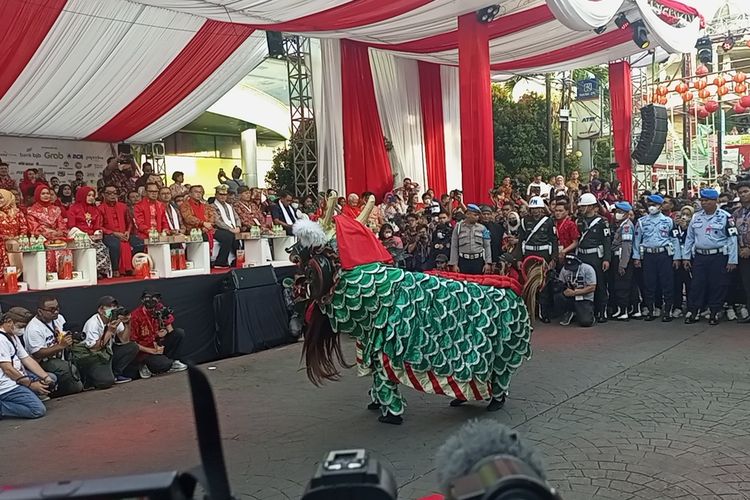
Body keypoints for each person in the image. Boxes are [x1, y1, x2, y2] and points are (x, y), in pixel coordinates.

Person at [683, 188, 739, 325]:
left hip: (718, 256)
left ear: (715, 201)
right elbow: (689, 238)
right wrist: (686, 257)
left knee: (717, 285)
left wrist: (732, 260)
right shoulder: (696, 217)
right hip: (700, 256)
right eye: (702, 200)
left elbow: (732, 239)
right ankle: (694, 311)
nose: (704, 203)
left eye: (707, 200)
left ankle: (714, 312)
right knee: (697, 284)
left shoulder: (725, 216)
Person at [632, 194, 682, 322]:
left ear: (660, 206)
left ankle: (668, 311)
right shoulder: (642, 222)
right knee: (649, 284)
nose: (651, 207)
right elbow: (637, 241)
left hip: (664, 254)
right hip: (648, 255)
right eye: (649, 205)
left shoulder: (668, 221)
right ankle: (651, 310)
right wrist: (636, 257)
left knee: (667, 283)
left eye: (654, 205)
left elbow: (674, 239)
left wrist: (677, 257)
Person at [0, 308, 57, 419]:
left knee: (51, 378)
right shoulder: (1, 340)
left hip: (17, 376)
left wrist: (45, 377)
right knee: (37, 410)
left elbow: (26, 359)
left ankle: (29, 395)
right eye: (21, 326)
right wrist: (30, 384)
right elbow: (7, 369)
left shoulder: (12, 336)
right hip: (6, 384)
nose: (22, 330)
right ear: (9, 321)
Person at [23, 296, 83, 397]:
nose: (55, 312)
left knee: (81, 354)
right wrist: (60, 346)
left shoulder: (59, 318)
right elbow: (37, 353)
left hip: (60, 354)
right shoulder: (33, 328)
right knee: (68, 372)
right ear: (40, 311)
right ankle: (60, 393)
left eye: (57, 308)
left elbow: (63, 333)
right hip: (43, 361)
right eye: (51, 310)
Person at [75, 296, 139, 388]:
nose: (113, 309)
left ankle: (115, 374)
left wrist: (128, 323)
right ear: (101, 310)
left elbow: (125, 340)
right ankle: (92, 379)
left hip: (108, 352)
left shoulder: (115, 319)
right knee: (106, 381)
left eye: (114, 307)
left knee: (132, 347)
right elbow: (94, 349)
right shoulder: (93, 323)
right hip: (94, 357)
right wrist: (109, 332)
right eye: (110, 307)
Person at [129, 290, 188, 378]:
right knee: (164, 365)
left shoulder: (160, 308)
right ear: (142, 300)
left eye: (155, 298)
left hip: (159, 344)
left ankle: (173, 361)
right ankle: (144, 365)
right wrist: (152, 351)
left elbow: (170, 328)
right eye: (148, 298)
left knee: (179, 333)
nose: (152, 301)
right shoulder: (135, 316)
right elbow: (132, 343)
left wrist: (166, 332)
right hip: (146, 350)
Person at [518, 196, 558, 322]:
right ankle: (529, 311)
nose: (535, 211)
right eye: (533, 209)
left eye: (538, 209)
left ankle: (543, 313)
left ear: (542, 209)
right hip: (528, 256)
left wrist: (554, 258)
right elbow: (520, 241)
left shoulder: (549, 221)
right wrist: (519, 258)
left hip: (543, 255)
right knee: (529, 284)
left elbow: (554, 241)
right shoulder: (524, 221)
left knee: (543, 285)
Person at [575, 192, 611, 323]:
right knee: (582, 283)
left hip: (596, 256)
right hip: (582, 255)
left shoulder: (602, 221)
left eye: (583, 206)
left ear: (591, 206)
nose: (581, 209)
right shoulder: (579, 221)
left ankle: (602, 311)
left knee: (599, 284)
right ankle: (587, 310)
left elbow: (607, 241)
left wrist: (607, 259)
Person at [66, 186, 112, 278]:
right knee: (91, 246)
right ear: (82, 196)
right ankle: (90, 270)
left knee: (102, 247)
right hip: (79, 236)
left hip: (92, 236)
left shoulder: (95, 210)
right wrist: (86, 235)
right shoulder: (73, 209)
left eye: (92, 195)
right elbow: (72, 225)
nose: (91, 198)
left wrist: (96, 233)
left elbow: (97, 226)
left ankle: (99, 270)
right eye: (88, 195)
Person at [99, 184, 141, 277]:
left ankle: (134, 267)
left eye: (115, 193)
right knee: (114, 244)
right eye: (109, 193)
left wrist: (128, 232)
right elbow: (99, 226)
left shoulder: (123, 206)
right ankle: (115, 269)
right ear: (103, 195)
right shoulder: (100, 208)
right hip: (109, 234)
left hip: (124, 233)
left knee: (138, 242)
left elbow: (129, 222)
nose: (112, 195)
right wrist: (114, 233)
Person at [27, 185, 69, 272]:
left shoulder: (56, 209)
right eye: (43, 194)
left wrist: (59, 232)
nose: (46, 195)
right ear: (38, 195)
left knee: (65, 248)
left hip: (57, 237)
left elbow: (61, 224)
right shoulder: (32, 211)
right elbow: (34, 228)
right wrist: (49, 233)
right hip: (41, 239)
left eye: (48, 193)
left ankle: (64, 273)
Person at [609, 201, 635, 320]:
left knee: (622, 285)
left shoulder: (626, 226)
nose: (617, 214)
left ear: (626, 214)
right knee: (618, 284)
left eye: (620, 212)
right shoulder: (621, 225)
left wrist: (623, 264)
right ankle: (620, 309)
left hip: (621, 257)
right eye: (616, 212)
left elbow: (626, 246)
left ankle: (624, 310)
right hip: (617, 256)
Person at [448, 204, 492, 275]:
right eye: (475, 215)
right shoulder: (458, 227)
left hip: (478, 261)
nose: (477, 217)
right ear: (467, 214)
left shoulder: (483, 228)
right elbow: (454, 246)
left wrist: (488, 263)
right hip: (463, 261)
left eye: (478, 215)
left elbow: (487, 246)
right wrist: (454, 264)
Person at [557, 255, 597, 327]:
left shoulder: (588, 269)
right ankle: (568, 312)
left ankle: (587, 314)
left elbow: (592, 288)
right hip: (570, 296)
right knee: (558, 296)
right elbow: (560, 283)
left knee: (586, 322)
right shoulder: (564, 269)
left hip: (584, 297)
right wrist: (564, 290)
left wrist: (575, 292)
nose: (571, 269)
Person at [0, 189, 28, 279]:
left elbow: (24, 227)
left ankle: (17, 278)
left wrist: (20, 237)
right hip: (1, 242)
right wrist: (4, 238)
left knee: (15, 244)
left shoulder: (17, 212)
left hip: (16, 241)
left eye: (1, 198)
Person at [212, 185, 241, 268]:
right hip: (219, 229)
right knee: (228, 236)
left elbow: (236, 217)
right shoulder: (212, 206)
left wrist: (238, 226)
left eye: (224, 195)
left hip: (233, 228)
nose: (223, 197)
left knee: (237, 236)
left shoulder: (230, 206)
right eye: (220, 194)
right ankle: (220, 262)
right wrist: (230, 229)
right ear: (216, 195)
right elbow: (217, 221)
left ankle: (238, 259)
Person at [733, 182, 750, 324]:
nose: (743, 194)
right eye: (740, 192)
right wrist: (740, 248)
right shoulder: (736, 213)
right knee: (746, 284)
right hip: (742, 253)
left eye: (746, 191)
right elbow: (733, 234)